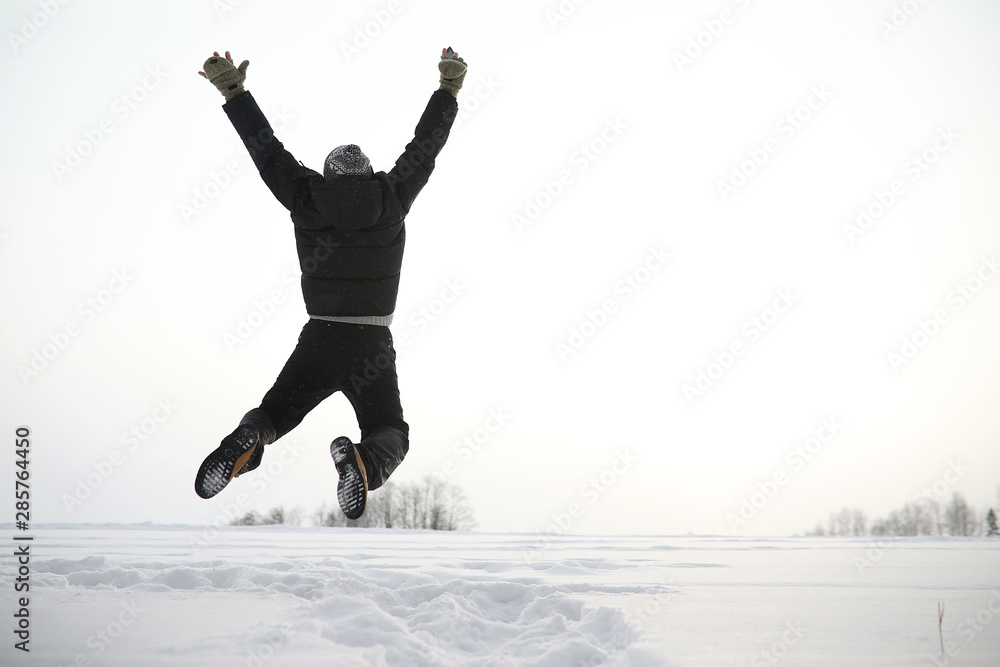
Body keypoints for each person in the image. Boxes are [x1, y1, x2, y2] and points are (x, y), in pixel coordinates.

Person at [194, 47, 467, 520]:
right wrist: (448, 88)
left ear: (327, 175)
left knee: (276, 414)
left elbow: (266, 150)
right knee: (389, 429)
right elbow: (427, 144)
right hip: (372, 340)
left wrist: (233, 91)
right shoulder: (393, 194)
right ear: (366, 172)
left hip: (319, 336)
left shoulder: (305, 196)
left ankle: (249, 440)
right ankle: (364, 460)